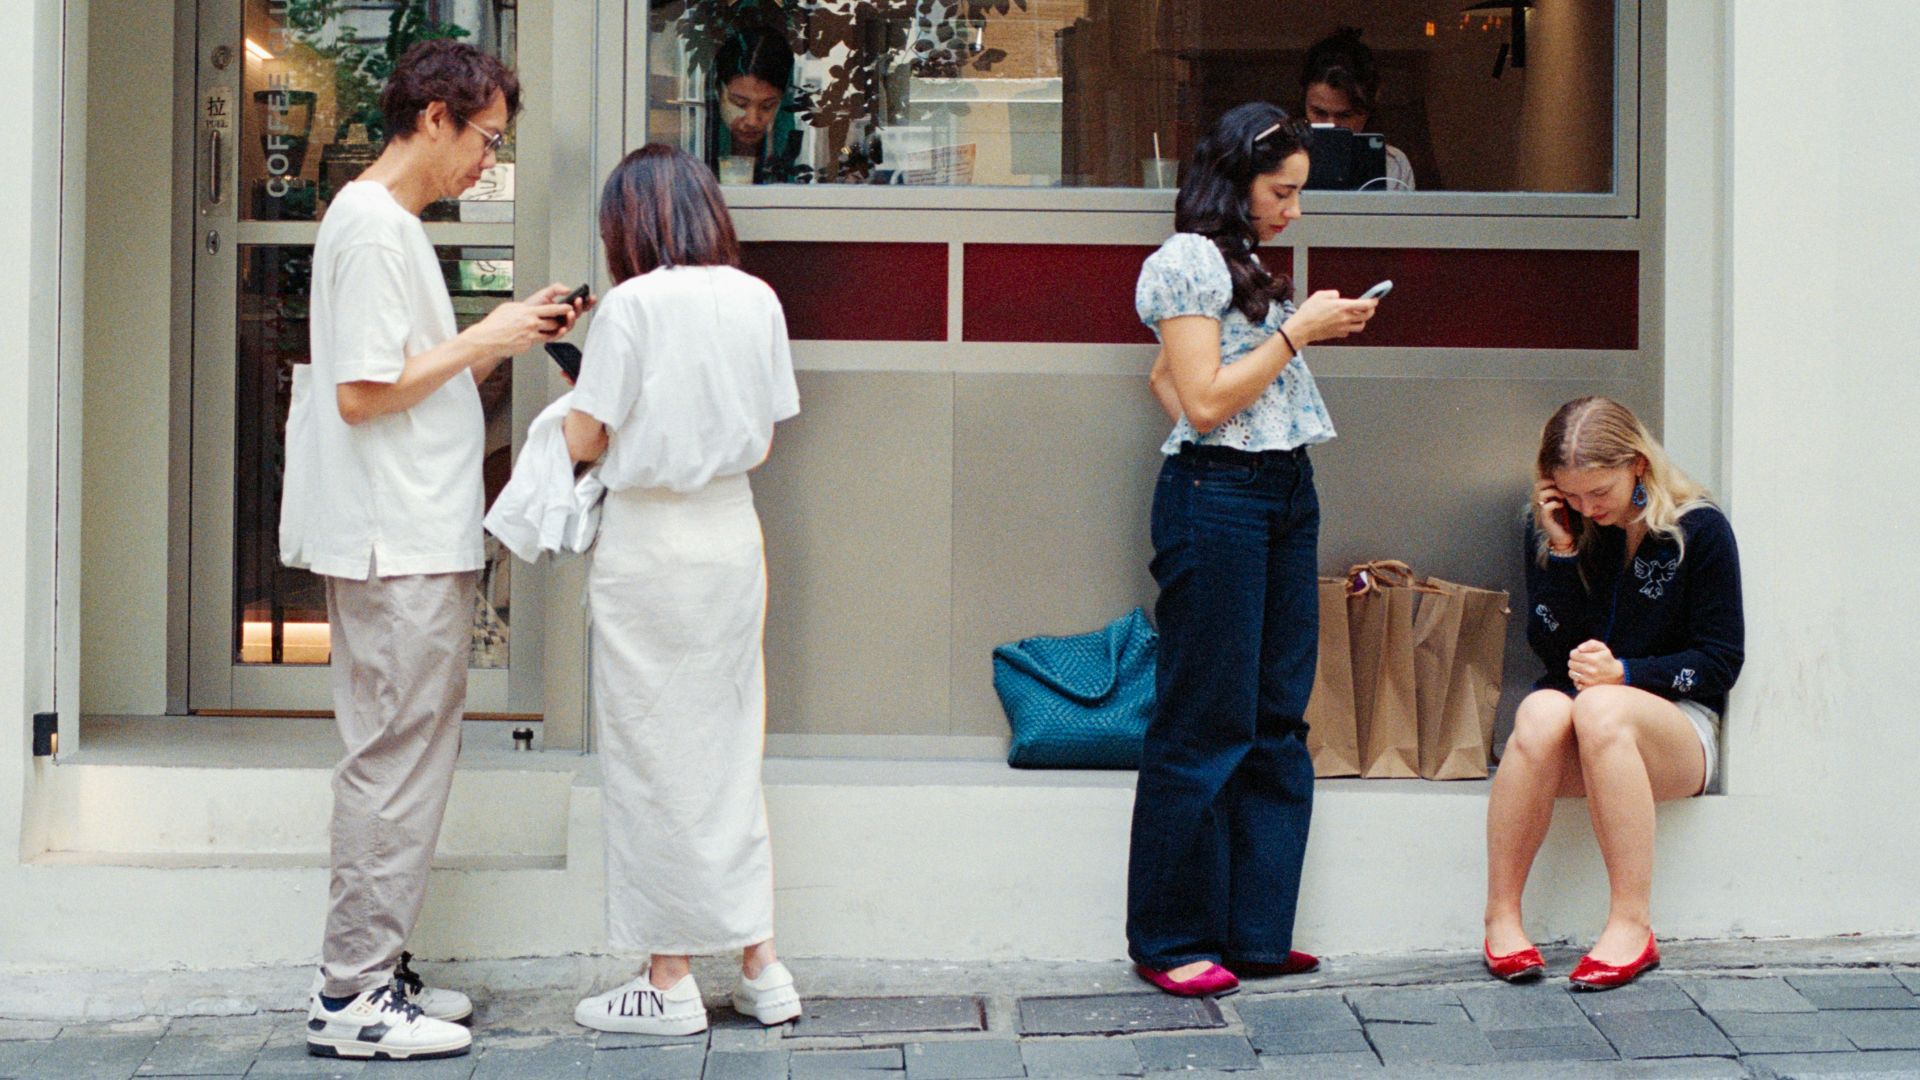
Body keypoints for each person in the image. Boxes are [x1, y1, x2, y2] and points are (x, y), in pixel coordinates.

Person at [281, 39, 584, 1060]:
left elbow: (403, 379)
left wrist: (501, 337)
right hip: (394, 538)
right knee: (395, 762)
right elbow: (364, 393)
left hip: (408, 530)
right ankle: (353, 994)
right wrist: (490, 336)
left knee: (403, 754)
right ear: (434, 117)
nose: (489, 162)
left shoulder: (386, 224)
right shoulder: (374, 227)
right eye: (486, 139)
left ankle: (372, 970)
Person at [1130, 102, 1377, 997]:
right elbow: (1199, 401)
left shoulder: (1237, 263)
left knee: (1277, 716)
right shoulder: (1189, 258)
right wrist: (1295, 334)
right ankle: (1169, 940)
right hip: (1221, 496)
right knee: (1206, 718)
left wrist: (1289, 349)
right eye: (1282, 192)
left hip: (1280, 487)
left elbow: (1167, 379)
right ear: (1236, 182)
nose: (1292, 211)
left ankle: (1256, 933)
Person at [563, 144, 803, 1036]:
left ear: (630, 224)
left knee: (654, 759)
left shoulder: (631, 307)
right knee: (730, 750)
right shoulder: (757, 297)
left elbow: (586, 438)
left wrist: (579, 398)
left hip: (651, 544)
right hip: (730, 534)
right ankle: (762, 964)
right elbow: (766, 432)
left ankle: (667, 979)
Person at [1484, 396, 1744, 990]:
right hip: (1586, 722)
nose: (1587, 508)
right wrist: (1562, 552)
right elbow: (1554, 651)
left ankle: (1631, 924)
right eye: (1571, 496)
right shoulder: (1562, 526)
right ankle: (1501, 917)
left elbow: (1720, 661)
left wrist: (1626, 673)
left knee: (1601, 707)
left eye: (1599, 492)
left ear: (1638, 465)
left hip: (1673, 731)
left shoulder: (1698, 531)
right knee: (1540, 710)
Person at [1299, 27, 1416, 191]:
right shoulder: (1278, 160)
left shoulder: (1393, 164)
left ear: (1368, 109)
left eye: (1345, 115)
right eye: (1319, 112)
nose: (1331, 124)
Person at [709, 28, 801, 184]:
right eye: (740, 104)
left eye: (767, 106)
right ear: (719, 92)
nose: (752, 121)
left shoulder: (794, 151)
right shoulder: (697, 146)